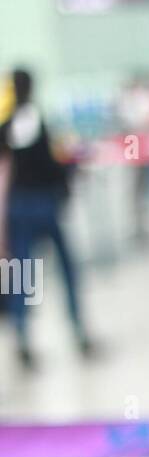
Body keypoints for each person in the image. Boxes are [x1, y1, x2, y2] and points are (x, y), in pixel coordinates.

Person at [0, 67, 99, 369]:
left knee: (22, 276)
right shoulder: (32, 119)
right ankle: (78, 331)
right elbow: (46, 163)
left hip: (18, 208)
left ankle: (23, 339)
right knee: (66, 269)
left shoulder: (6, 124)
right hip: (41, 205)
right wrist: (70, 169)